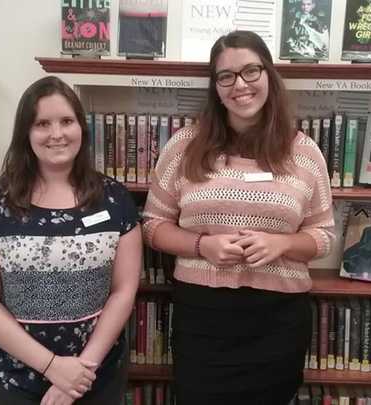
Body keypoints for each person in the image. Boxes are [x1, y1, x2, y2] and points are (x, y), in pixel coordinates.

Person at [142, 30, 335, 405]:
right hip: (204, 320)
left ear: (269, 76)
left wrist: (282, 244)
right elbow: (152, 225)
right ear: (215, 86)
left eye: (251, 71)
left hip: (278, 323)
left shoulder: (305, 152)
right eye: (226, 76)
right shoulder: (184, 146)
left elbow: (324, 235)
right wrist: (202, 246)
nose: (240, 85)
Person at [0, 76, 142, 405]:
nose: (56, 133)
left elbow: (124, 291)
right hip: (14, 376)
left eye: (66, 121)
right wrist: (53, 367)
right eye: (42, 123)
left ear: (81, 129)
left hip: (96, 373)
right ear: (25, 133)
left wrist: (79, 371)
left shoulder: (115, 199)